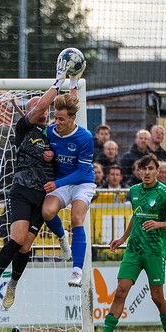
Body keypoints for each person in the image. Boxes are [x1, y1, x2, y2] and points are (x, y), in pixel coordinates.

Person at [0, 73, 60, 309]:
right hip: (23, 190)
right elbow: (42, 106)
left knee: (26, 246)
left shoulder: (54, 133)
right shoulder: (23, 128)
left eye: (44, 108)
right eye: (38, 108)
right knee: (16, 238)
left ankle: (12, 285)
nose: (44, 111)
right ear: (29, 112)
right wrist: (59, 81)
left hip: (44, 196)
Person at [90, 154, 166, 332]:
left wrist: (158, 224)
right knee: (120, 291)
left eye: (150, 169)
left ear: (157, 170)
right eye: (144, 169)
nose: (147, 173)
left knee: (157, 295)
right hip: (133, 250)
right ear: (139, 171)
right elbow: (136, 216)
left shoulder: (165, 193)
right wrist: (122, 238)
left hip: (154, 251)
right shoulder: (134, 190)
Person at [41, 78, 96, 287]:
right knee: (47, 213)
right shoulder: (49, 132)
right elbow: (46, 152)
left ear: (73, 118)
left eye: (62, 119)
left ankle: (77, 271)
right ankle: (62, 238)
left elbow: (83, 170)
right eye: (56, 117)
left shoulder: (84, 137)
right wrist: (47, 155)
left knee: (76, 218)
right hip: (62, 182)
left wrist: (56, 183)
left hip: (83, 182)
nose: (57, 122)